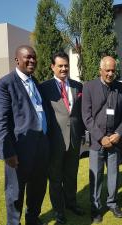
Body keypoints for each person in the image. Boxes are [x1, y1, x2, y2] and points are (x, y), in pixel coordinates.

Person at [0, 45, 49, 225]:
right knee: (15, 193)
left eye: (34, 57)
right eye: (27, 57)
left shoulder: (35, 82)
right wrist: (7, 151)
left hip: (41, 147)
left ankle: (32, 219)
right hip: (18, 151)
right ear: (17, 60)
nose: (32, 60)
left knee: (38, 188)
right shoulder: (6, 84)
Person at [82, 56, 122, 223]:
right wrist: (101, 137)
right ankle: (95, 207)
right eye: (107, 70)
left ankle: (112, 203)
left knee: (114, 175)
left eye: (113, 70)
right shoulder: (89, 87)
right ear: (100, 70)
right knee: (96, 175)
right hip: (97, 141)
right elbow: (86, 117)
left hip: (115, 140)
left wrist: (118, 133)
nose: (110, 73)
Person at [40, 52, 85, 224]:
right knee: (56, 179)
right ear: (52, 67)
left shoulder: (78, 86)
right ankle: (59, 212)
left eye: (66, 65)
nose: (64, 68)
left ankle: (71, 203)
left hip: (74, 140)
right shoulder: (44, 88)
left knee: (71, 176)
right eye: (60, 66)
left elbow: (78, 114)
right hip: (55, 142)